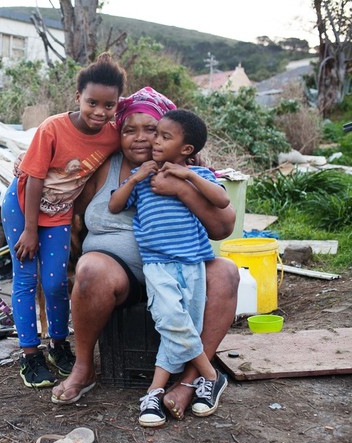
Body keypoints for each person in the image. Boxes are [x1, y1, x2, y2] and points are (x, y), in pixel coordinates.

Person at [51, 87, 239, 423]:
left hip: (179, 268)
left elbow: (223, 226)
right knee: (91, 268)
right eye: (128, 130)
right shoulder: (104, 166)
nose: (141, 139)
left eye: (152, 130)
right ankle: (84, 368)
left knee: (225, 272)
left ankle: (191, 380)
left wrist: (182, 188)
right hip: (117, 275)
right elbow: (71, 208)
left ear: (175, 138)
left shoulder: (187, 168)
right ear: (118, 133)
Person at [1, 53, 127, 388]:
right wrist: (29, 230)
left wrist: (192, 152)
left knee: (56, 283)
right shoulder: (53, 128)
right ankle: (30, 355)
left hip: (58, 213)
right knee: (26, 278)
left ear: (117, 104)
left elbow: (147, 131)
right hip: (22, 205)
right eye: (92, 102)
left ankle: (59, 345)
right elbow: (34, 178)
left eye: (109, 105)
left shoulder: (112, 135)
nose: (100, 112)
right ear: (78, 98)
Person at [108, 109, 230, 427]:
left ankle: (155, 391)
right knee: (172, 319)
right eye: (156, 134)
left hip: (192, 263)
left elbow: (221, 201)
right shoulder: (143, 176)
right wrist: (135, 177)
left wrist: (187, 177)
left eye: (164, 136)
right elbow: (115, 204)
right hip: (157, 264)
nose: (154, 140)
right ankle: (210, 375)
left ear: (187, 149)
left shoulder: (198, 176)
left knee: (182, 323)